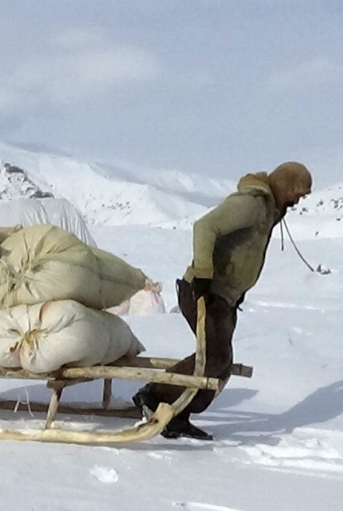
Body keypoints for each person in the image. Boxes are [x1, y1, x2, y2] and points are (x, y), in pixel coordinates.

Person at [133, 162, 312, 440]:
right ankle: (153, 395)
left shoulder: (268, 211)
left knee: (221, 362)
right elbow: (205, 227)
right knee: (213, 356)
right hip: (203, 292)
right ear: (286, 185)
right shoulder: (252, 205)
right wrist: (203, 275)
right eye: (297, 194)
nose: (297, 201)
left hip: (224, 298)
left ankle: (179, 413)